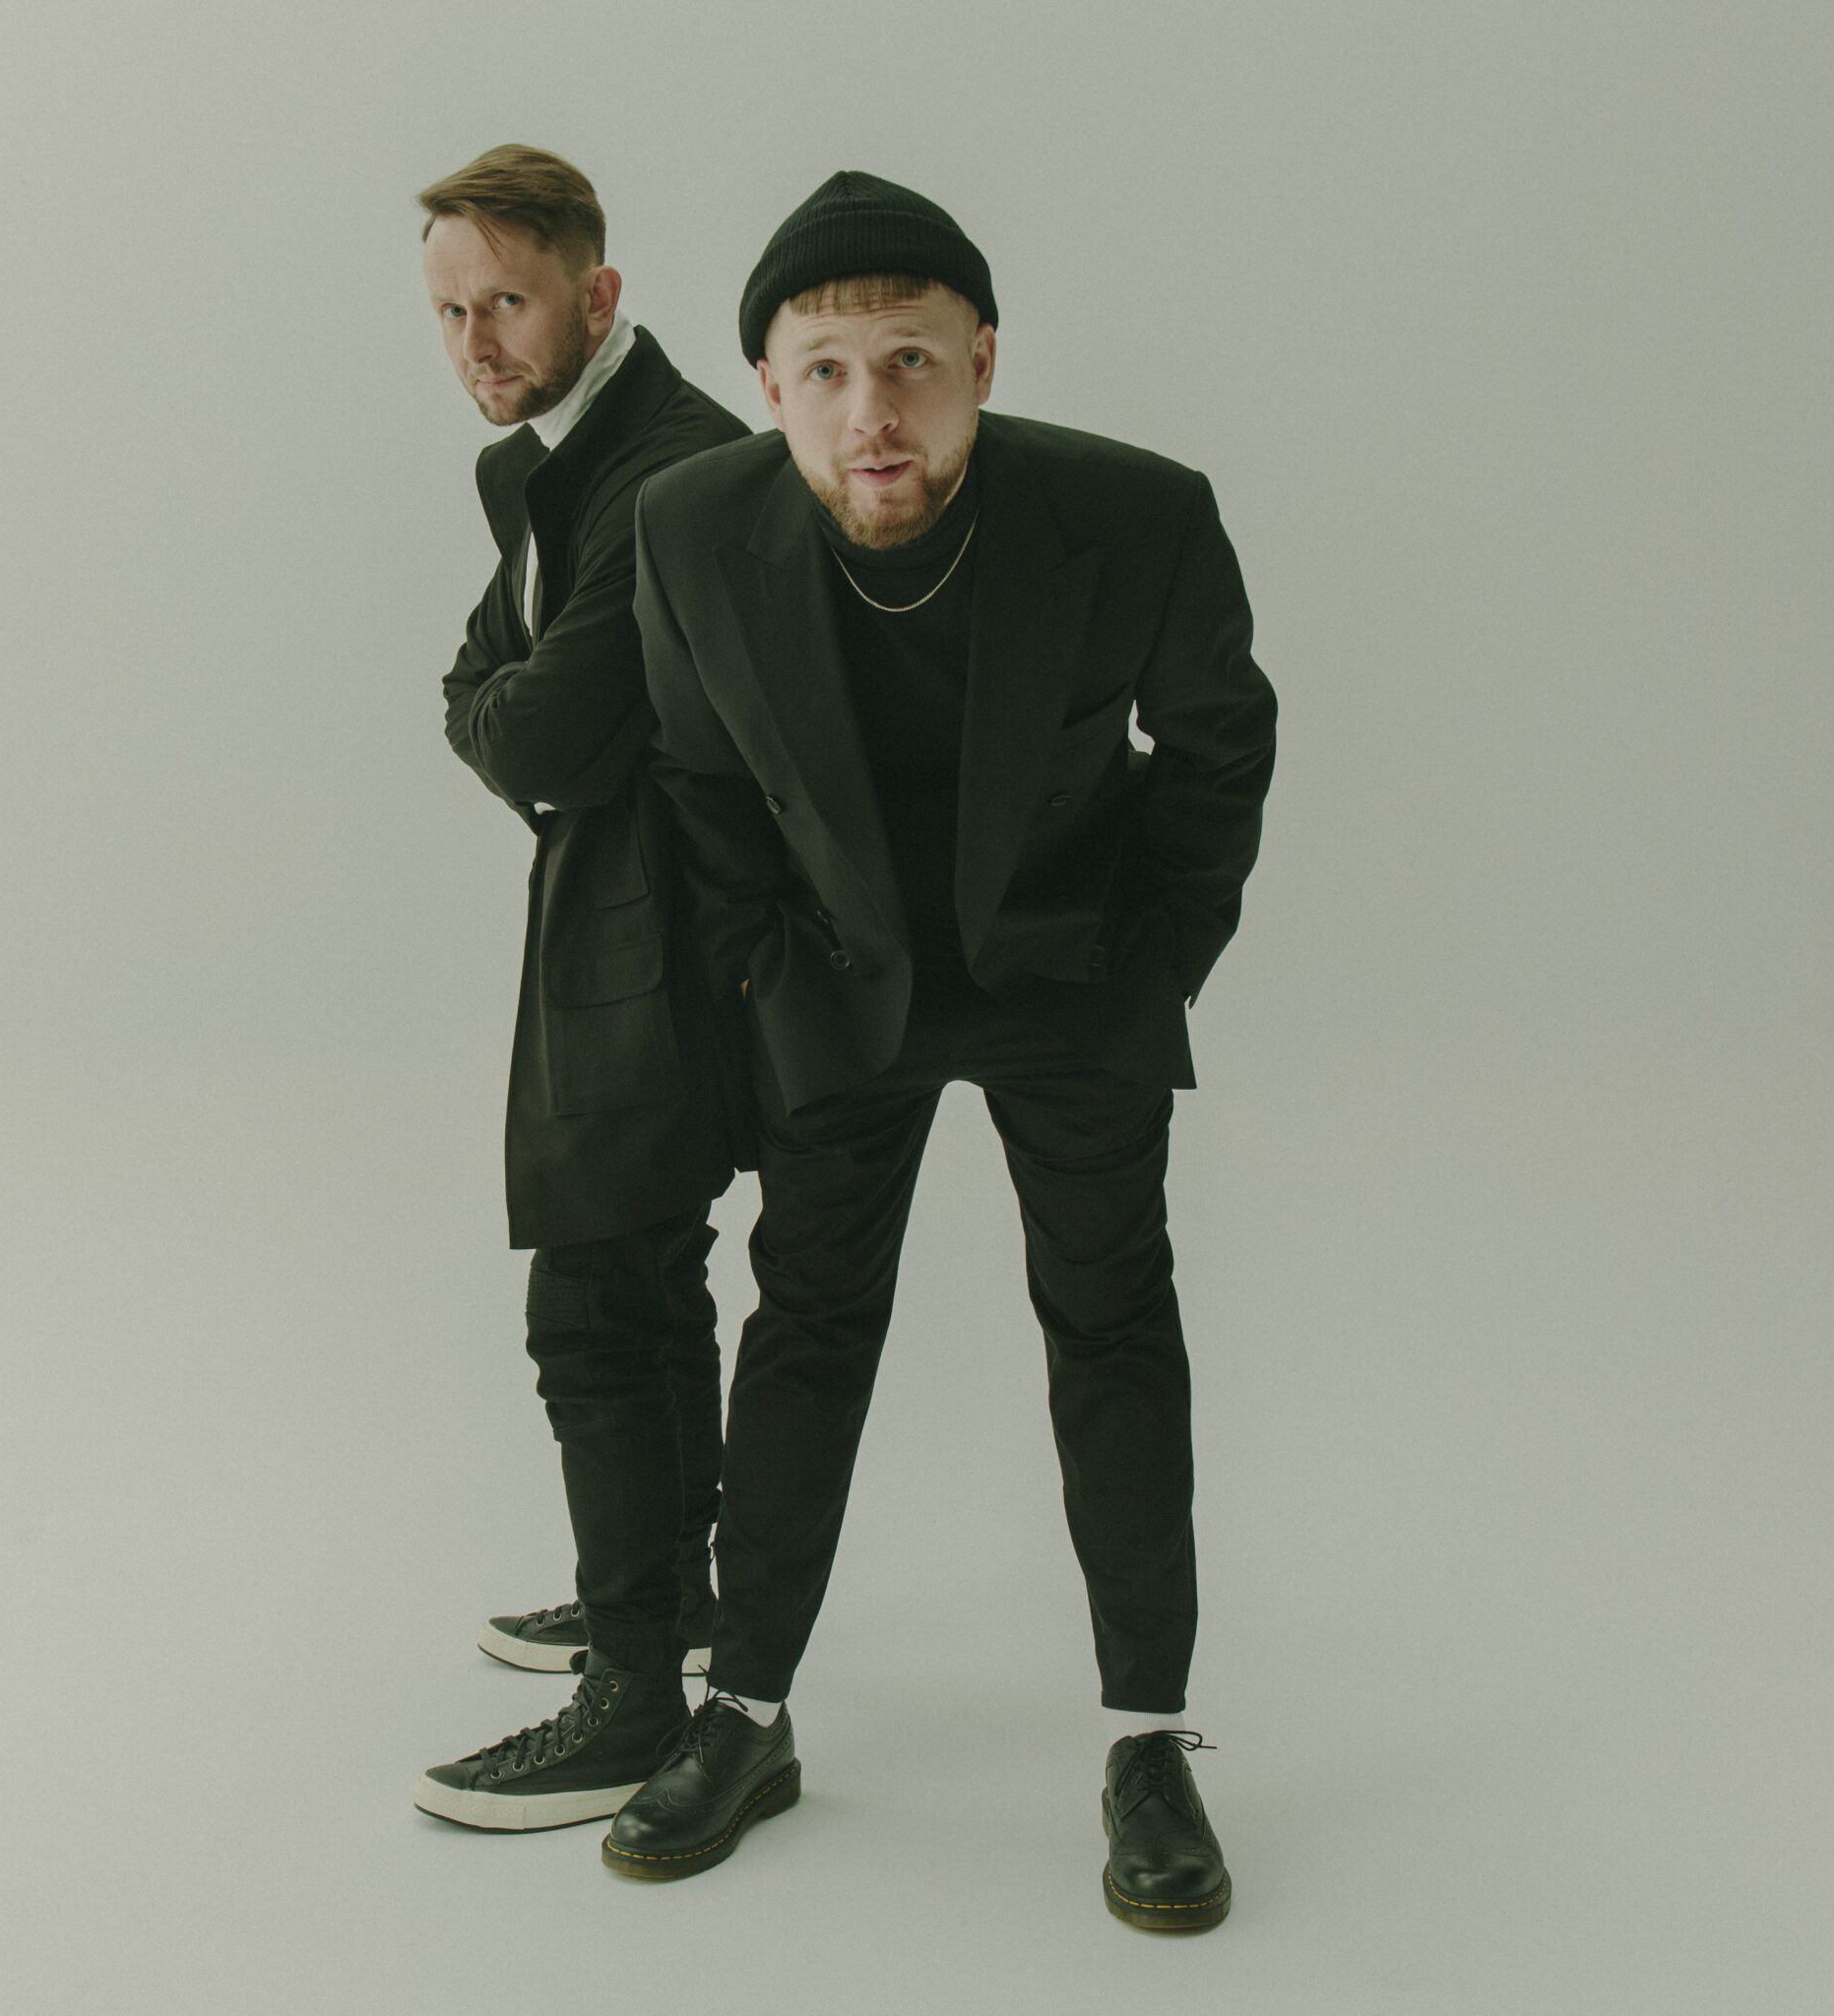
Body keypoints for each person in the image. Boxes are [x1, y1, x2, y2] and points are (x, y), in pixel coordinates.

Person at [603, 171, 1277, 1929]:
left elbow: (1219, 742)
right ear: (768, 387)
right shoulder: (689, 529)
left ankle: (1147, 1740)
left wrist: (1156, 964)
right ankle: (747, 1714)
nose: (872, 412)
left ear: (983, 358)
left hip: (1072, 973)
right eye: (826, 373)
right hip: (840, 982)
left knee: (1112, 1322)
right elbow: (695, 775)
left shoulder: (1135, 513)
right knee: (808, 1324)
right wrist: (766, 970)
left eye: (910, 360)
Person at [406, 144, 750, 1834]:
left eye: (509, 303)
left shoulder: (668, 468)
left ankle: (630, 1700)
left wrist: (511, 715)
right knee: (644, 1279)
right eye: (449, 313)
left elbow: (534, 728)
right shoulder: (569, 460)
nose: (476, 343)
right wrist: (511, 710)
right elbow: (483, 679)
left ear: (597, 296)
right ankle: (666, 1604)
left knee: (597, 1302)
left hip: (671, 936)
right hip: (626, 916)